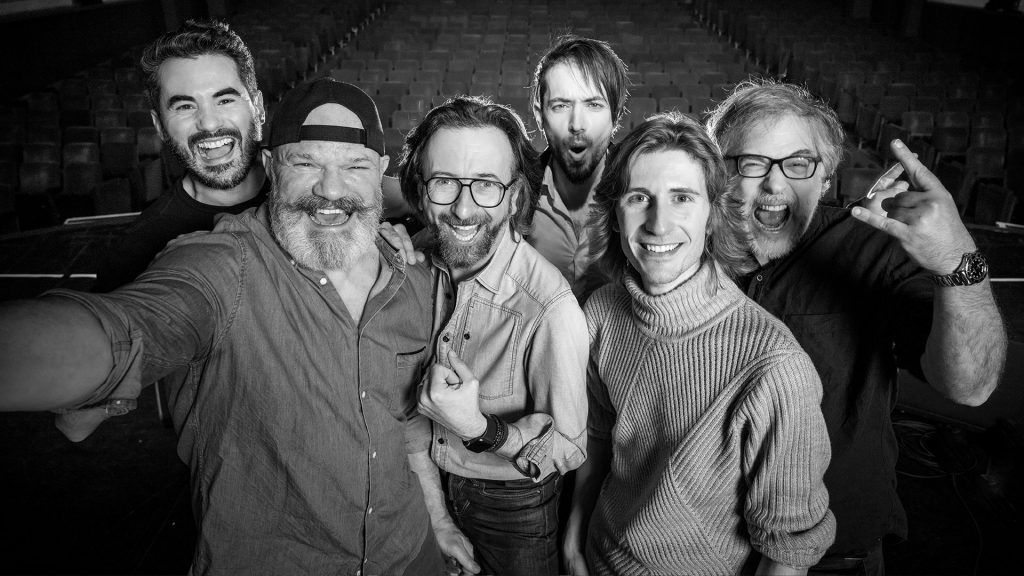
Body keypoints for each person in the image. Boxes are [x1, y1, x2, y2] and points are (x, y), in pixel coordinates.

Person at [0, 78, 446, 575]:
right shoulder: (222, 263)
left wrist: (440, 521)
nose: (331, 189)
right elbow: (130, 327)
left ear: (380, 172)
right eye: (305, 163)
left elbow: (406, 422)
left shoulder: (412, 278)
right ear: (271, 166)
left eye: (354, 166)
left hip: (410, 556)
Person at [705, 79, 1006, 574]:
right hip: (697, 547)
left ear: (825, 179)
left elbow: (971, 386)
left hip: (835, 556)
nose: (775, 184)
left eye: (798, 164)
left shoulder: (873, 248)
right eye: (752, 163)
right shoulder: (683, 248)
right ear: (718, 172)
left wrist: (958, 262)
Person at [564, 112, 835, 576]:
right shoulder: (602, 312)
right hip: (596, 558)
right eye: (639, 198)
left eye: (682, 198)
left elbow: (787, 553)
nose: (658, 224)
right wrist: (573, 541)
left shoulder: (775, 366)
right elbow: (599, 436)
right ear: (615, 215)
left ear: (713, 215)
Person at [398, 96, 589, 576]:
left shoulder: (550, 307)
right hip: (421, 481)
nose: (463, 209)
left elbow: (568, 446)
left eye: (486, 184)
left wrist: (480, 429)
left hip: (513, 509)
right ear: (421, 190)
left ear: (515, 197)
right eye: (444, 182)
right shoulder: (413, 259)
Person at [92, 19, 268, 292]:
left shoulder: (314, 197)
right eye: (185, 106)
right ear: (160, 126)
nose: (208, 123)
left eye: (225, 100)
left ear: (258, 108)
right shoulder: (136, 253)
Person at [527, 35, 630, 302]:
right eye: (561, 105)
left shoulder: (640, 191)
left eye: (593, 105)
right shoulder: (513, 193)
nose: (577, 124)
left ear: (616, 114)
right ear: (539, 114)